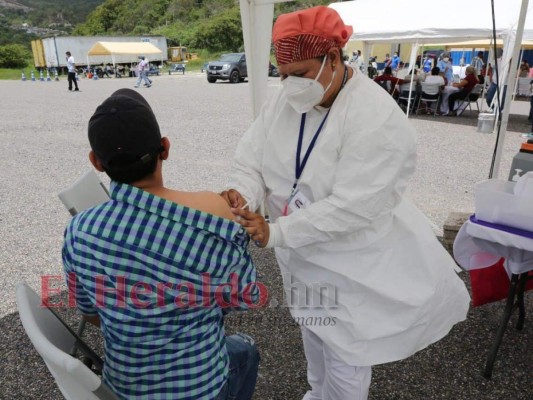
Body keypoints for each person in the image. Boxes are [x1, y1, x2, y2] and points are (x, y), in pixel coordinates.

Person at [222, 6, 470, 400]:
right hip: (300, 256)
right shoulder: (286, 103)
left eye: (299, 75)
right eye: (282, 76)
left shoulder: (376, 116)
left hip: (349, 260)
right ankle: (317, 393)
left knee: (346, 352)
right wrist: (241, 190)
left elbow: (356, 205)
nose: (289, 86)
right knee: (313, 331)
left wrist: (278, 230)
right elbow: (251, 157)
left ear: (333, 58)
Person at [62, 88, 260, 400]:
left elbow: (89, 313)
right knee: (246, 349)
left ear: (96, 162)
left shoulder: (79, 230)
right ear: (164, 148)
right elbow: (244, 298)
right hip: (199, 387)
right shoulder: (208, 222)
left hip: (125, 388)